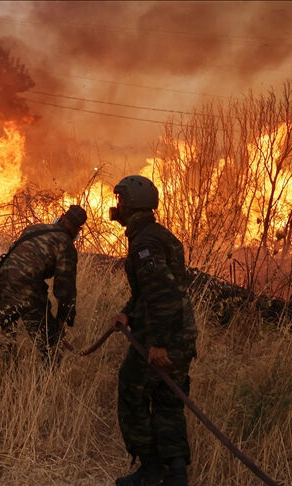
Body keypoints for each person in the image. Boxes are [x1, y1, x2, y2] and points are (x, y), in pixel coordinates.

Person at [109, 175, 198, 486]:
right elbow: (152, 290)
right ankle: (175, 475)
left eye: (120, 200)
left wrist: (158, 344)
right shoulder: (155, 235)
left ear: (132, 203)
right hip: (181, 332)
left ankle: (150, 470)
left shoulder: (145, 242)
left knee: (131, 390)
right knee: (167, 399)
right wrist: (127, 312)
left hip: (165, 334)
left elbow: (162, 294)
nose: (116, 206)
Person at [0, 205, 87, 365]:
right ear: (78, 230)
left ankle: (7, 380)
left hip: (2, 282)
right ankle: (43, 388)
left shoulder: (33, 228)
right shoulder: (66, 246)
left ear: (61, 217)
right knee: (52, 349)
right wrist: (63, 320)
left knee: (8, 337)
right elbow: (65, 288)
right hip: (27, 290)